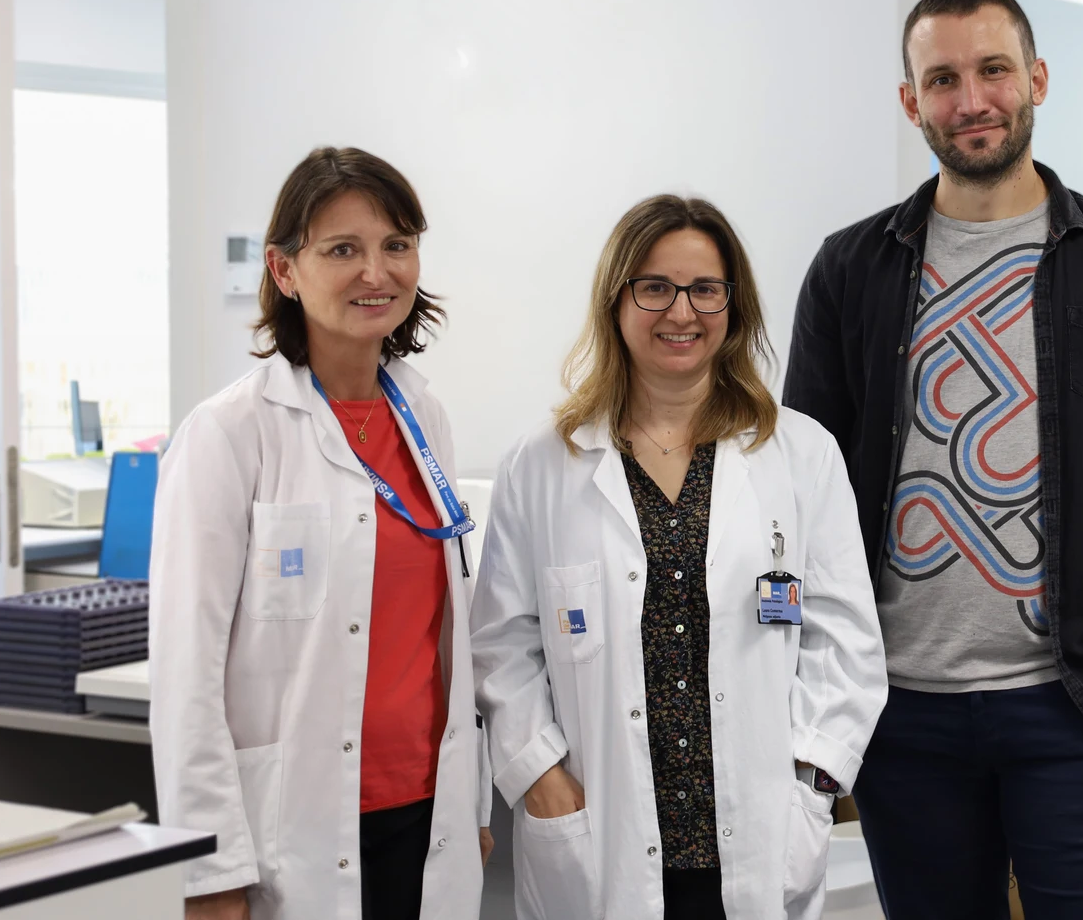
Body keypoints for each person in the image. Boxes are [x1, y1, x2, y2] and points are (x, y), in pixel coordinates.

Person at [784, 0, 1083, 918]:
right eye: (942, 79)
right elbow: (802, 487)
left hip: (1080, 702)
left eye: (992, 70)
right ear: (910, 102)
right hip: (902, 711)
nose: (970, 99)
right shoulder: (850, 270)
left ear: (1038, 79)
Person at [471, 195, 886, 920]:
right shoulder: (542, 463)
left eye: (705, 289)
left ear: (735, 302)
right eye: (654, 286)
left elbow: (846, 642)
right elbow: (502, 643)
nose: (681, 312)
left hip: (759, 838)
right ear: (617, 298)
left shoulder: (801, 453)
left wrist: (813, 785)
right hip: (600, 835)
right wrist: (539, 774)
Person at [150, 147, 489, 920]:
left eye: (396, 245)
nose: (378, 271)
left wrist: (470, 806)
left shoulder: (424, 418)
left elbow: (444, 640)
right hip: (294, 826)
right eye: (343, 249)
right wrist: (209, 869)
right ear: (284, 269)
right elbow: (185, 675)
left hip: (426, 804)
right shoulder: (228, 434)